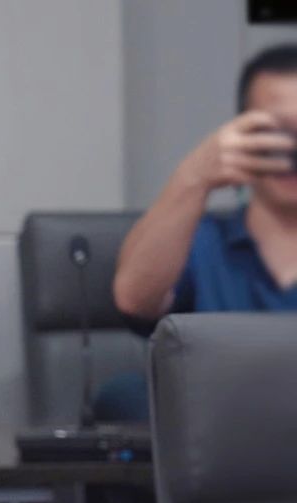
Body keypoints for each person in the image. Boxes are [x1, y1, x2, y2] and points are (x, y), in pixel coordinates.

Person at [114, 43, 297, 320]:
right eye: (276, 132)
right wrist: (194, 176)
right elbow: (135, 301)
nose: (291, 150)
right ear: (242, 133)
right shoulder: (201, 242)